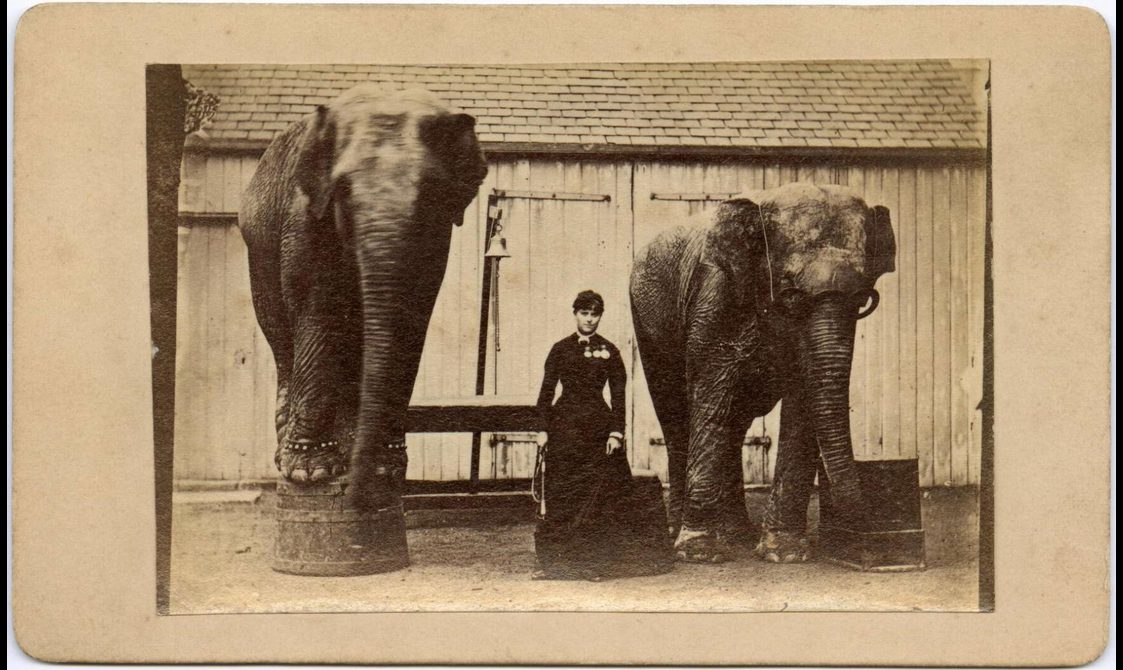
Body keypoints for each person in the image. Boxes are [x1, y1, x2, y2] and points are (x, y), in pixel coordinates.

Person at [532, 290, 672, 581]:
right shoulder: (560, 349)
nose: (589, 319)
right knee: (562, 494)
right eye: (584, 313)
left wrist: (616, 432)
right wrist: (543, 429)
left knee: (599, 497)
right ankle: (556, 564)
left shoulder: (610, 350)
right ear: (575, 314)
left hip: (598, 430)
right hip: (565, 428)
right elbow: (546, 392)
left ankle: (593, 564)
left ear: (600, 316)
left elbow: (619, 396)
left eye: (594, 314)